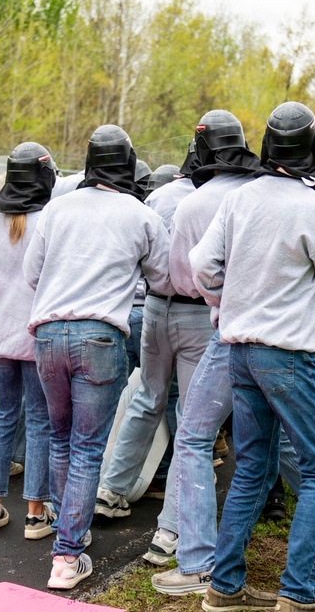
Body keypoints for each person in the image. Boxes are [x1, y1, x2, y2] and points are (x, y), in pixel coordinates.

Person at [188, 101, 315, 612]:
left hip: (238, 351)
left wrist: (228, 301)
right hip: (286, 356)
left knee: (250, 469)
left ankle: (224, 588)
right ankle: (299, 595)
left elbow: (202, 265)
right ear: (313, 146)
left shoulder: (241, 198)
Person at [23, 124, 172, 590]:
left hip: (47, 333)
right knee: (88, 447)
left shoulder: (56, 208)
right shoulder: (139, 213)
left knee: (60, 438)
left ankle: (73, 529)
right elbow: (164, 277)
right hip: (101, 335)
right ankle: (66, 555)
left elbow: (32, 275)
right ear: (128, 163)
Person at [95, 111, 248, 534]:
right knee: (191, 419)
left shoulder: (164, 196)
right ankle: (175, 527)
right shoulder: (242, 194)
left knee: (147, 398)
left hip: (156, 308)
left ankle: (111, 491)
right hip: (200, 313)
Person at [0, 143, 57, 539]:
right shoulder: (50, 220)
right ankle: (36, 516)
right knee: (39, 420)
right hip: (33, 336)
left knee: (2, 418)